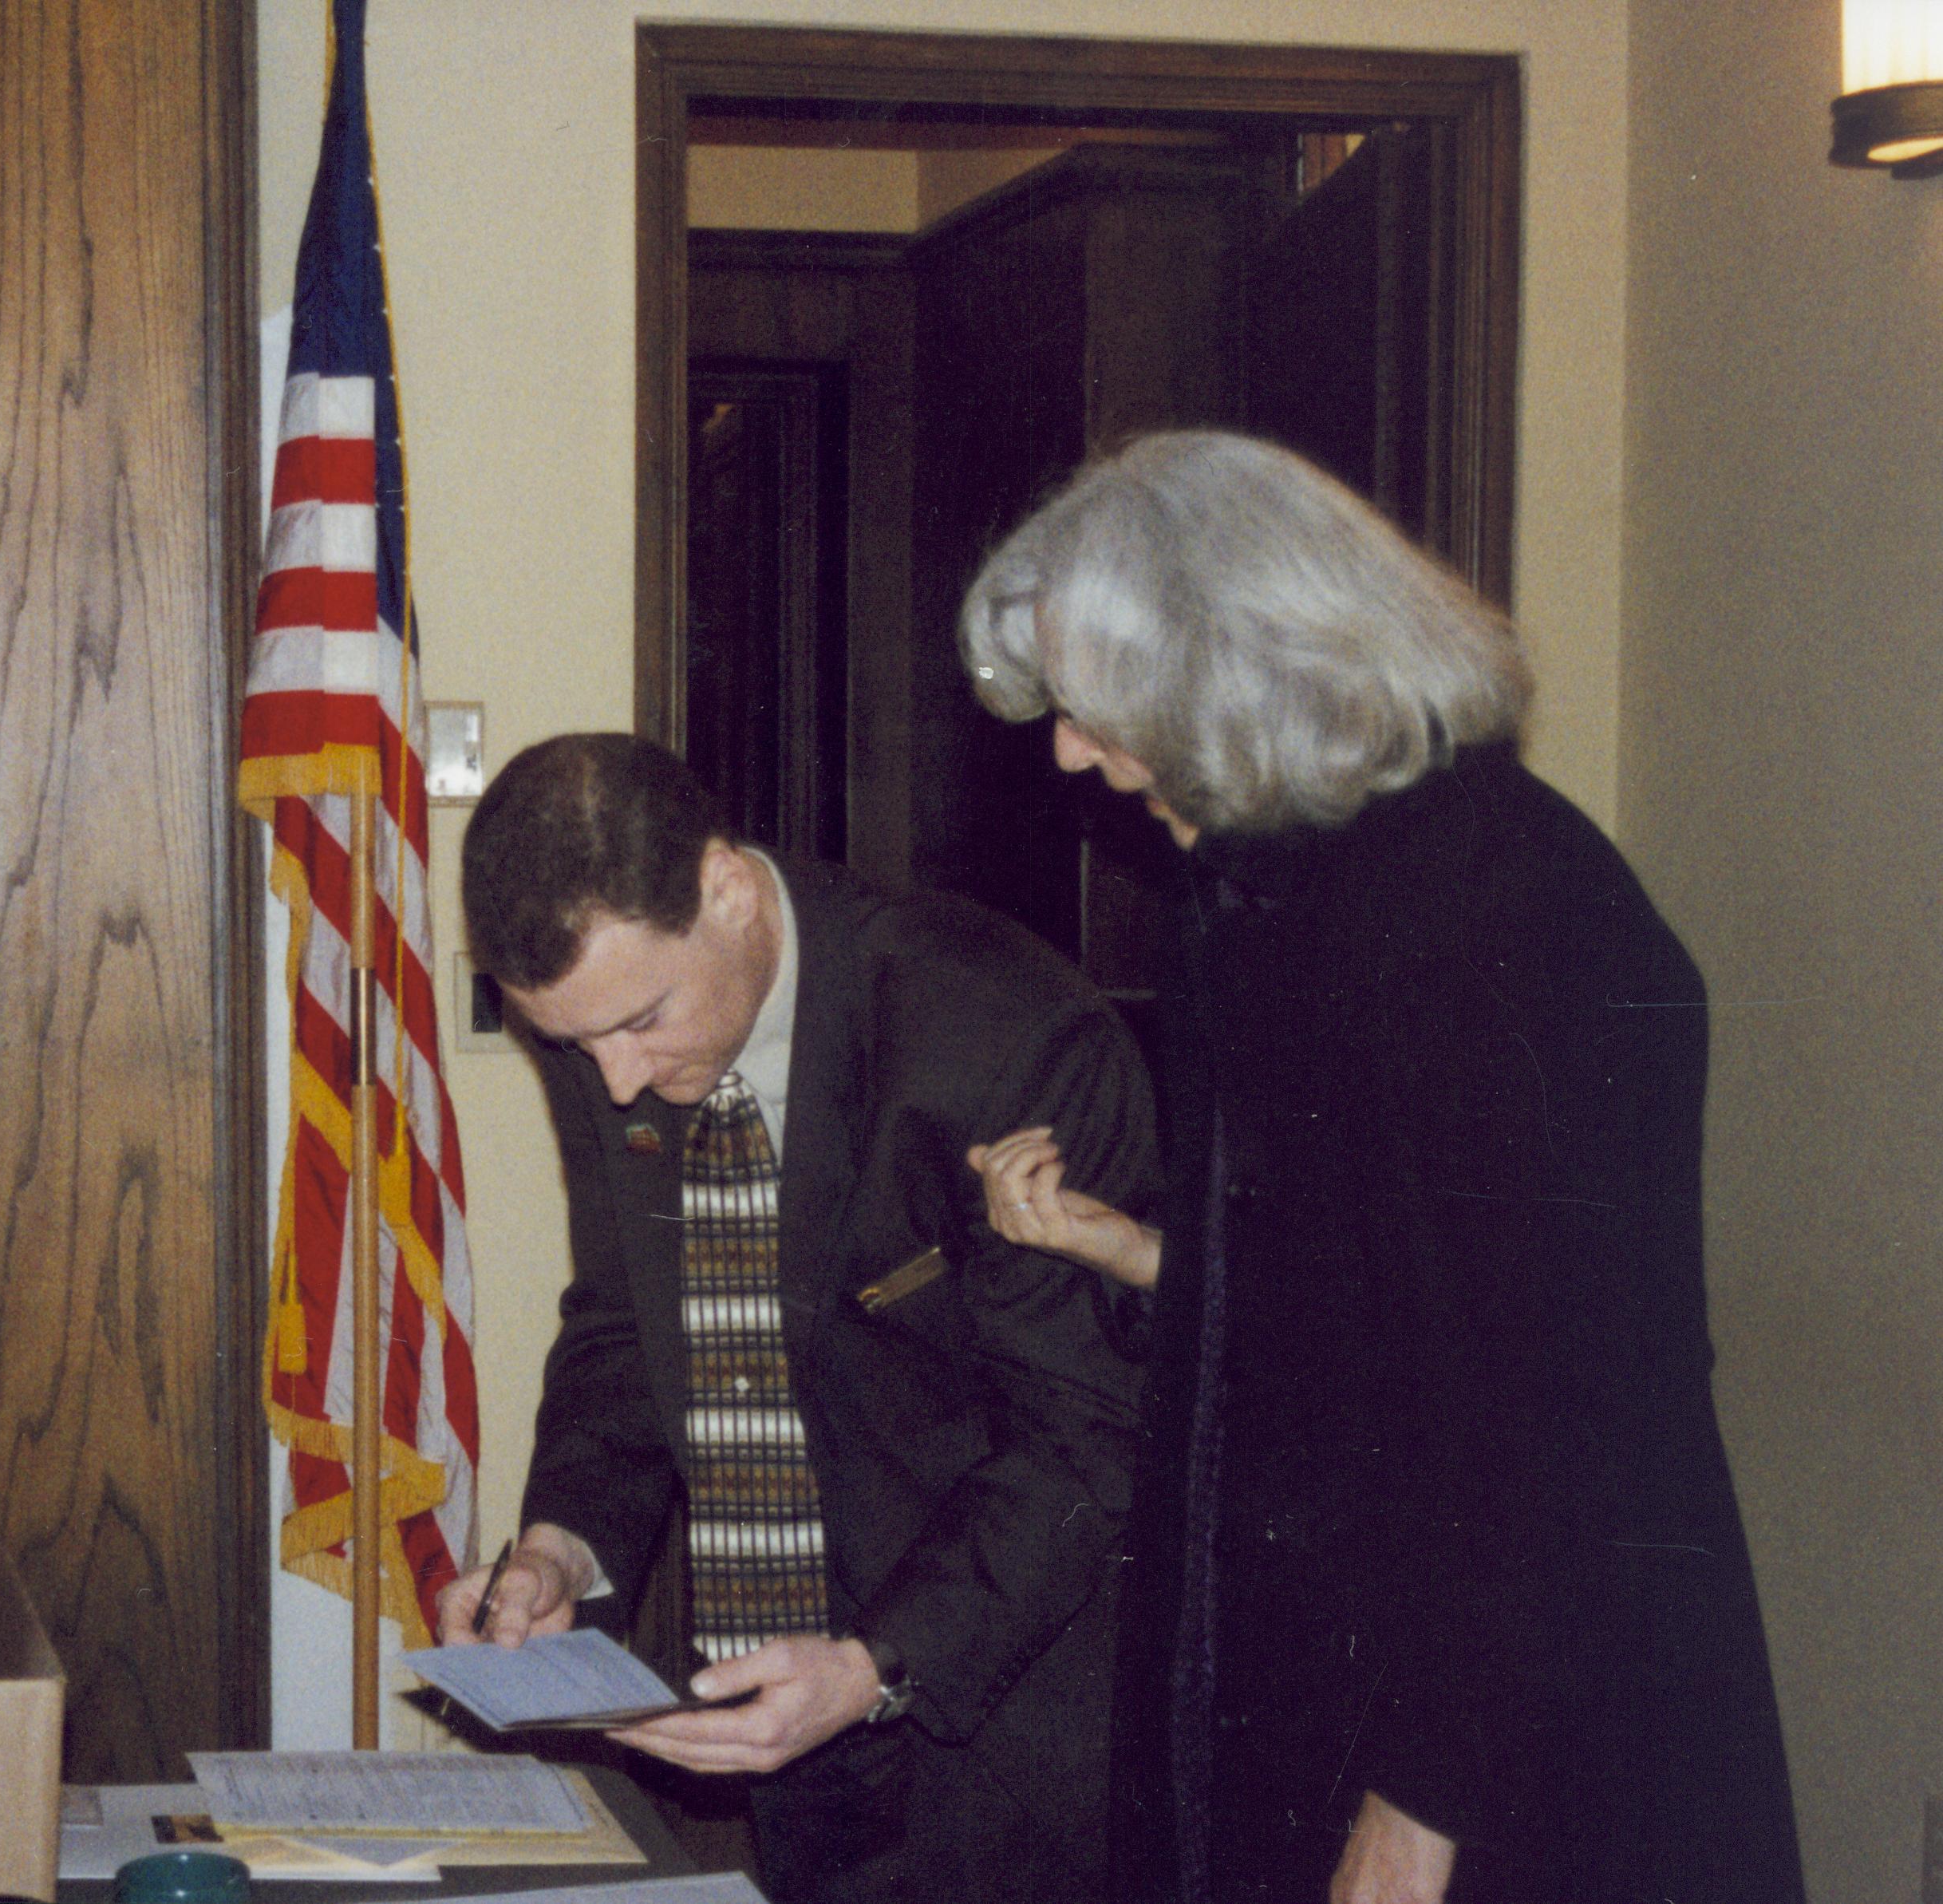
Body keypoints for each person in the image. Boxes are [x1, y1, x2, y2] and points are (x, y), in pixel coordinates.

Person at [957, 430, 1803, 1904]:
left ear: (1242, 668)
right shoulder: (1266, 890)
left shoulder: (1505, 912)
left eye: (1101, 711)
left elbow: (1557, 1405)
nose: (1071, 755)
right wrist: (1161, 1256)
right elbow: (1375, 1292)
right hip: (1339, 1662)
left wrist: (1426, 1798)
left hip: (1512, 1716)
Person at [440, 732, 1157, 1902]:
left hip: (1012, 1720)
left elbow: (1084, 1436)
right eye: (574, 1043)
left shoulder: (1002, 1034)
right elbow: (627, 1322)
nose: (614, 1078)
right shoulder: (613, 1021)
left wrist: (875, 1667)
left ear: (727, 887)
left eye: (639, 1022)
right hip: (784, 1721)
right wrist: (559, 1545)